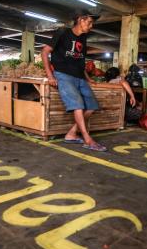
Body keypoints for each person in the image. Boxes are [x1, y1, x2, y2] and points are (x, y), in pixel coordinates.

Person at [41, 9, 107, 152]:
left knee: (91, 106)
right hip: (63, 75)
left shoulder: (83, 38)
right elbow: (45, 51)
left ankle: (71, 134)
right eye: (89, 22)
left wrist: (88, 78)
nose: (91, 26)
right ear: (80, 20)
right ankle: (88, 140)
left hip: (79, 76)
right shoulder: (62, 32)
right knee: (78, 105)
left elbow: (81, 61)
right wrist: (50, 75)